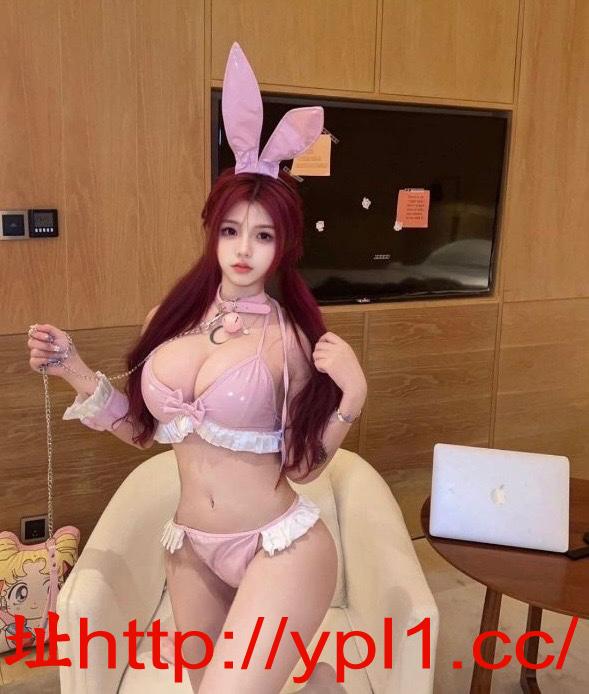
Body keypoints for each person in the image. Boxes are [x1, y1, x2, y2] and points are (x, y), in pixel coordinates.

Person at [26, 42, 367, 693]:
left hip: (281, 547)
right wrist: (72, 368)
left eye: (263, 235)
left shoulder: (293, 339)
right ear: (212, 231)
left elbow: (301, 468)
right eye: (231, 230)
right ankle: (321, 685)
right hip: (190, 547)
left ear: (284, 246)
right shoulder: (170, 317)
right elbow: (142, 431)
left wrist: (352, 393)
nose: (244, 249)